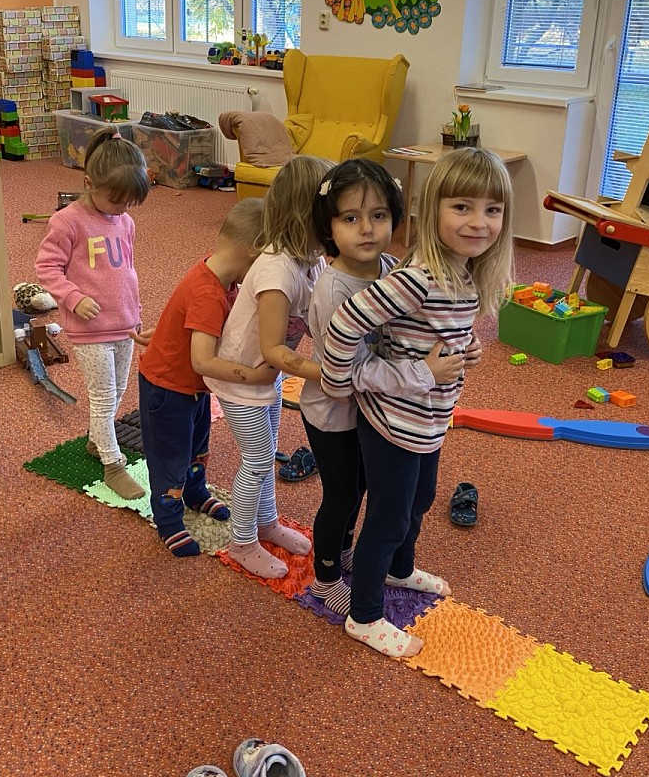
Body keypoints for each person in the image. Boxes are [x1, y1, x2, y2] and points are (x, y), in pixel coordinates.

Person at [322, 147, 515, 657]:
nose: (479, 222)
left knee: (421, 500)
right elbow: (344, 324)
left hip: (430, 418)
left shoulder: (462, 272)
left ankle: (398, 568)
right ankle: (364, 616)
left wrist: (466, 346)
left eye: (492, 210)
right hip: (394, 420)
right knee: (388, 517)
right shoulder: (418, 278)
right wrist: (342, 380)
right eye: (462, 207)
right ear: (433, 210)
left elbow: (439, 328)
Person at [302, 159, 463, 616]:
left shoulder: (392, 268)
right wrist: (422, 375)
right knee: (343, 497)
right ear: (329, 226)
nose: (367, 229)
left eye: (378, 215)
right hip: (336, 414)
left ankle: (358, 556)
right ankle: (325, 578)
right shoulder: (334, 290)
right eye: (350, 218)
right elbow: (347, 371)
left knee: (376, 493)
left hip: (378, 414)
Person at [203, 155, 333, 579]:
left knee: (268, 448)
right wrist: (326, 373)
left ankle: (266, 522)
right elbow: (273, 348)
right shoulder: (277, 270)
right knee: (257, 459)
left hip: (267, 378)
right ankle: (242, 543)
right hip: (240, 379)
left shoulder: (312, 261)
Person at [137, 198, 275, 557]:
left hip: (194, 390)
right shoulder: (209, 293)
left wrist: (164, 332)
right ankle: (168, 520)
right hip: (168, 388)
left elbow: (188, 320)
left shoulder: (218, 276)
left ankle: (195, 492)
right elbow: (202, 360)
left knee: (197, 447)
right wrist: (252, 376)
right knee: (170, 458)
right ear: (256, 251)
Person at [35, 127, 152, 500]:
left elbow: (127, 272)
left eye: (130, 202)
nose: (123, 208)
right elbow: (47, 268)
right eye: (116, 200)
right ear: (88, 184)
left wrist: (134, 311)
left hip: (123, 323)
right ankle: (112, 464)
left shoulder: (126, 222)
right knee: (103, 396)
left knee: (118, 390)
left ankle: (96, 439)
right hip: (89, 329)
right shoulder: (68, 221)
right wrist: (73, 298)